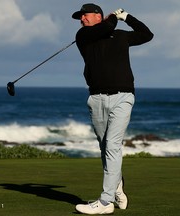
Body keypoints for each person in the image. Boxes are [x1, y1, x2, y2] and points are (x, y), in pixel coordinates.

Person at [71, 3, 154, 215]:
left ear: (97, 16)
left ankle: (105, 201)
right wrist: (113, 19)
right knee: (104, 146)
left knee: (113, 145)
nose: (82, 19)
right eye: (80, 17)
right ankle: (117, 187)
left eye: (85, 15)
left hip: (123, 97)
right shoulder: (83, 36)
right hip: (96, 98)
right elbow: (105, 28)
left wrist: (127, 16)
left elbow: (147, 34)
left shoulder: (120, 36)